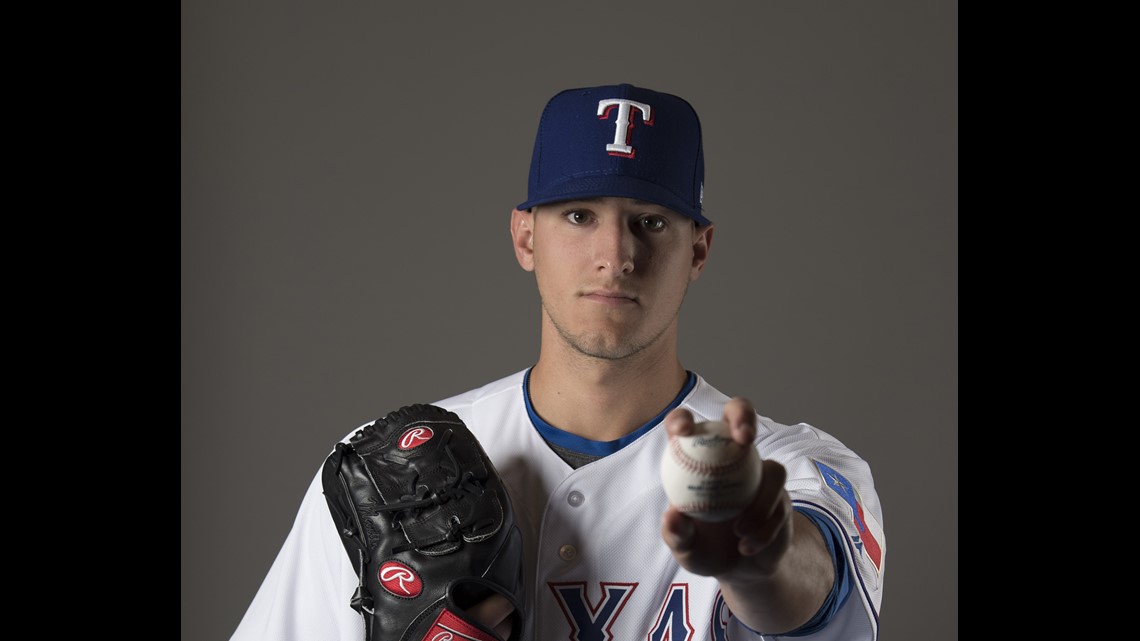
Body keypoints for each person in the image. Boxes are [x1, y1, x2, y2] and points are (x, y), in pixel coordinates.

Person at [230, 83, 885, 640]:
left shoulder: (786, 469)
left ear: (700, 249)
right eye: (578, 214)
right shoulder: (383, 471)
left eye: (652, 221)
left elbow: (811, 584)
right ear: (525, 236)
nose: (614, 253)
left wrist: (760, 563)